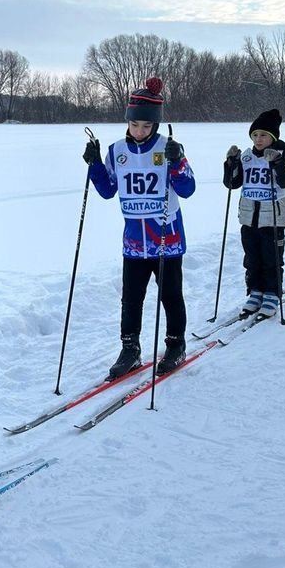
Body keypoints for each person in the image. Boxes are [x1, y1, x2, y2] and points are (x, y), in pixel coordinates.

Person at [83, 78, 195, 380]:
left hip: (166, 239)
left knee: (170, 295)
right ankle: (130, 349)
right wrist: (94, 165)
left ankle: (175, 344)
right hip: (133, 242)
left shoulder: (169, 147)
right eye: (135, 125)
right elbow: (107, 190)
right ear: (128, 122)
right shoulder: (117, 150)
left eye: (146, 126)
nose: (140, 131)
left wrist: (177, 164)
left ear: (155, 125)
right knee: (131, 299)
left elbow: (188, 188)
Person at [223, 108, 285, 317]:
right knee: (252, 257)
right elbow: (232, 183)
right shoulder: (246, 156)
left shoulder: (282, 154)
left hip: (272, 217)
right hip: (248, 215)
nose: (258, 139)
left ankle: (272, 293)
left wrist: (276, 162)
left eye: (263, 135)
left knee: (271, 257)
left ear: (272, 137)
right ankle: (255, 291)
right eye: (255, 135)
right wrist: (230, 164)